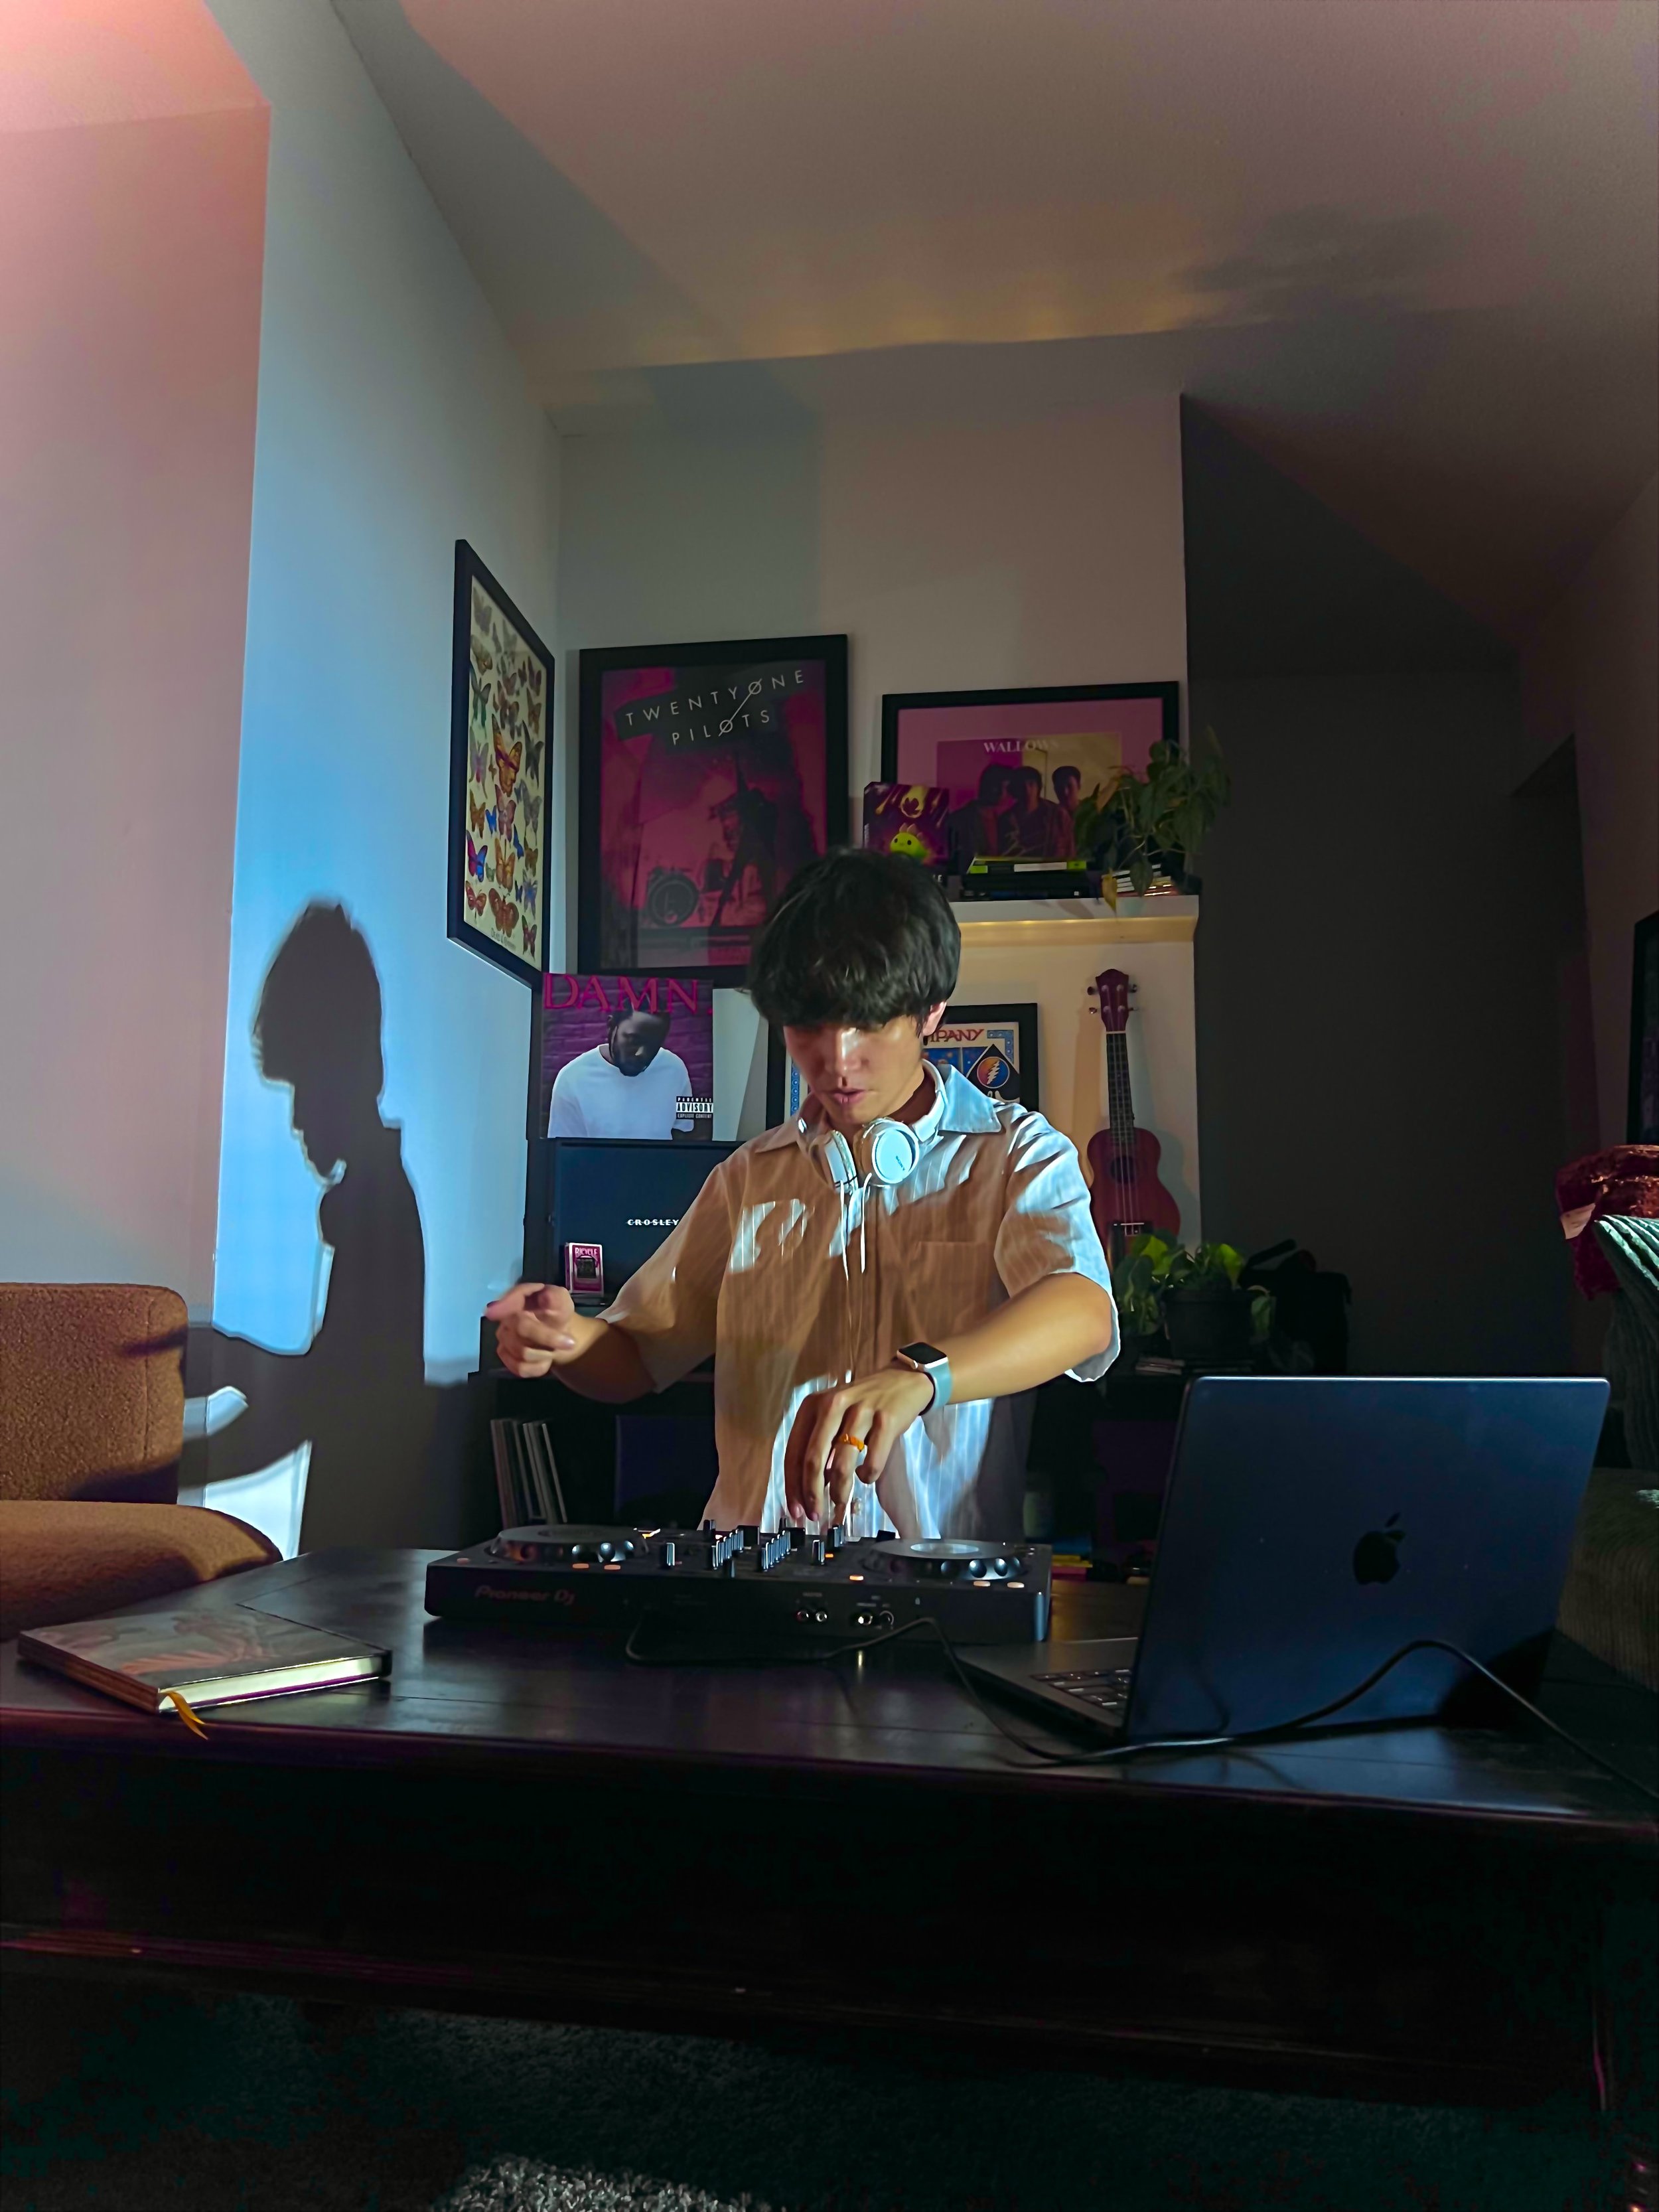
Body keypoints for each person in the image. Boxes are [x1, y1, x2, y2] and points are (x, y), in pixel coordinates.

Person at [492, 850, 1117, 1539]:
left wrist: (922, 1375)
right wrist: (564, 1339)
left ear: (931, 1011)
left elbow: (1082, 1310)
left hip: (936, 1586)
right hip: (748, 1580)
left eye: (869, 1023)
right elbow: (637, 1358)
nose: (836, 1060)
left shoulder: (1014, 1154)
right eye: (809, 1025)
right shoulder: (749, 1177)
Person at [548, 1003, 690, 1139]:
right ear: (611, 1027)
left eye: (654, 1045)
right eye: (634, 1040)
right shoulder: (572, 1079)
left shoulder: (675, 1069)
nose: (642, 1054)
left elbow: (688, 1134)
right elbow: (564, 1153)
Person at [944, 764, 1015, 870]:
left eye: (1006, 788)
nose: (1003, 793)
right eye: (1000, 787)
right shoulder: (960, 820)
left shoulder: (1006, 821)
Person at [1002, 766, 1075, 860]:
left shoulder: (1058, 814)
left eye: (1031, 784)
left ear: (1039, 787)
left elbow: (1070, 849)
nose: (1027, 790)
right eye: (1021, 786)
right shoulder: (1008, 819)